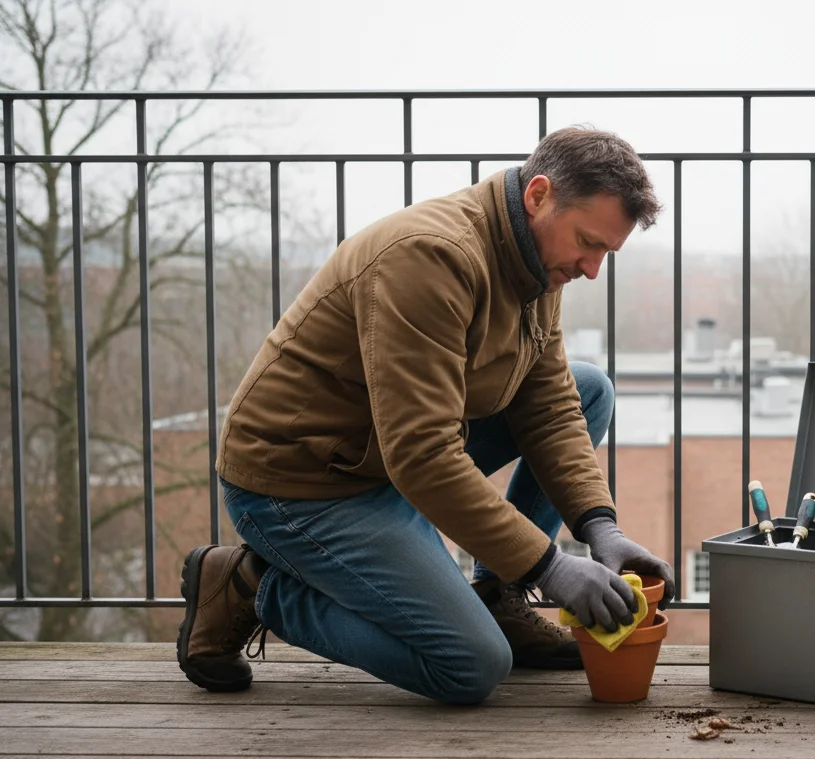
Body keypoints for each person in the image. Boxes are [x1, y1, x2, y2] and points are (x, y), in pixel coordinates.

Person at [174, 126, 676, 704]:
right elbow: (422, 456)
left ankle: (498, 597)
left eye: (605, 254)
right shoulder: (430, 257)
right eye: (588, 243)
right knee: (471, 666)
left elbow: (552, 405)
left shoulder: (537, 260)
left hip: (383, 455)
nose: (591, 269)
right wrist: (550, 567)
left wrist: (599, 527)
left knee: (589, 388)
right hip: (304, 482)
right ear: (539, 195)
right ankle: (251, 586)